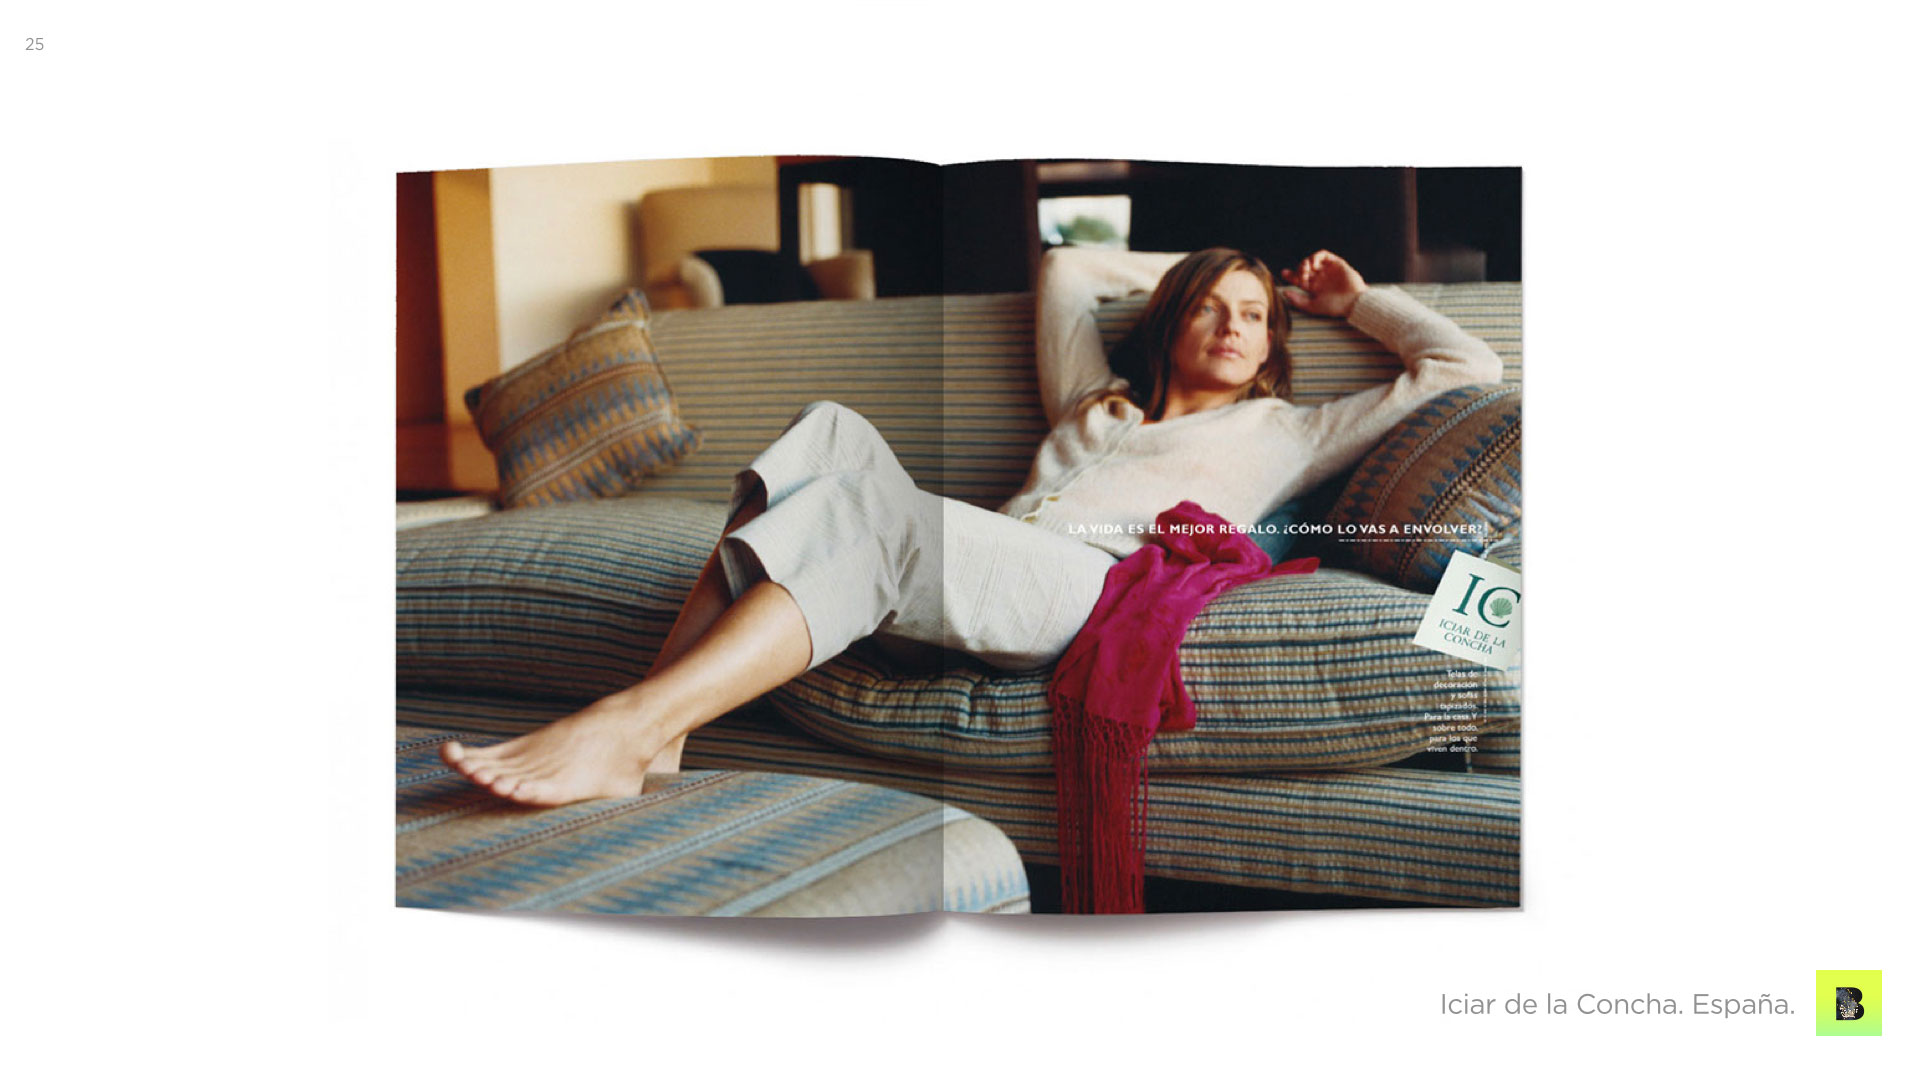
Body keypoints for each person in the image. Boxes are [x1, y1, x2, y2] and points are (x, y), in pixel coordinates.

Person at [441, 247, 1504, 805]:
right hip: (980, 565)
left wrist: (1347, 299)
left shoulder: (1292, 432)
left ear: (1274, 344)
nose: (1233, 325)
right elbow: (1066, 270)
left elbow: (1466, 365)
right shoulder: (1095, 400)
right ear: (1172, 317)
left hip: (1084, 588)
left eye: (1255, 315)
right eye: (1210, 305)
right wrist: (1197, 268)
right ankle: (663, 734)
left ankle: (625, 725)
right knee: (829, 429)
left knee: (870, 508)